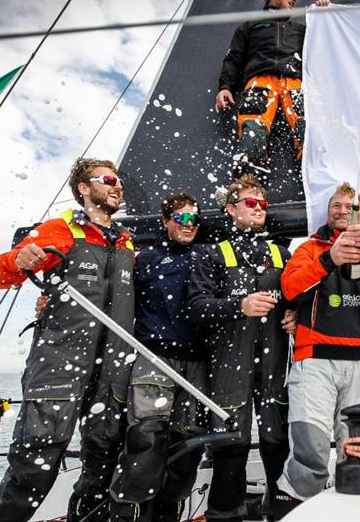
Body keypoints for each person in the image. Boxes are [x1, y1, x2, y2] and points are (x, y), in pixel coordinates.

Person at [0, 158, 134, 522]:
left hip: (112, 372)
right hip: (59, 366)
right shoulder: (59, 230)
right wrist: (20, 259)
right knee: (35, 463)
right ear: (84, 188)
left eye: (119, 181)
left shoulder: (128, 244)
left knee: (103, 461)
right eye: (108, 179)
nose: (118, 186)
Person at [274, 182, 360, 515]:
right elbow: (290, 289)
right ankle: (289, 508)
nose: (342, 211)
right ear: (328, 209)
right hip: (315, 359)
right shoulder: (309, 248)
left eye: (350, 207)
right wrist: (328, 259)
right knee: (312, 451)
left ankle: (357, 512)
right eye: (336, 205)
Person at [186, 174, 295, 522]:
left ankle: (279, 509)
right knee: (230, 444)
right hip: (229, 363)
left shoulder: (283, 254)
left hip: (275, 362)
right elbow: (196, 308)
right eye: (251, 202)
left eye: (263, 203)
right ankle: (224, 513)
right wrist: (239, 307)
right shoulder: (212, 254)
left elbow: (303, 297)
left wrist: (296, 315)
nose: (259, 208)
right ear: (231, 209)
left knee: (277, 440)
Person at [108, 193, 206, 521]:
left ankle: (168, 515)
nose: (189, 225)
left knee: (188, 450)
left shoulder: (208, 257)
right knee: (146, 442)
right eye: (181, 218)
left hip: (198, 364)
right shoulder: (144, 259)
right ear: (165, 222)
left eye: (194, 219)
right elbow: (115, 298)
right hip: (155, 359)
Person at [215, 0, 330, 175]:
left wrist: (326, 18)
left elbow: (324, 50)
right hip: (260, 80)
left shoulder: (301, 31)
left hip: (293, 82)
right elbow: (233, 59)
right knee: (253, 131)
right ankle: (248, 182)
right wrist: (225, 88)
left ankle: (317, 174)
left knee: (307, 130)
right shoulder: (250, 25)